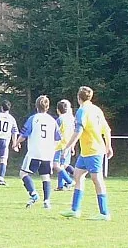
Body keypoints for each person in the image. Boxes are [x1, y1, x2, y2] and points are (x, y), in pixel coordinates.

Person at [60, 86, 113, 221]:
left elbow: (78, 131)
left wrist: (68, 147)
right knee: (78, 175)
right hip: (86, 152)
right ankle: (75, 210)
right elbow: (107, 130)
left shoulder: (82, 111)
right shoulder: (97, 110)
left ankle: (104, 213)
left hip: (93, 151)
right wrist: (109, 146)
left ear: (79, 98)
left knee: (97, 179)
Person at [14, 95, 61, 209]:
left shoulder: (33, 118)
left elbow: (24, 134)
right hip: (47, 153)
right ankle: (47, 201)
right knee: (45, 176)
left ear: (36, 106)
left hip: (34, 151)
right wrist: (53, 149)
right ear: (48, 107)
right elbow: (58, 137)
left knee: (23, 173)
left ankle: (33, 194)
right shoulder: (52, 120)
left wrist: (16, 143)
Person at [0, 100, 18, 185]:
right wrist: (14, 143)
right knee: (3, 159)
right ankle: (1, 178)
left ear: (1, 108)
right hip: (4, 139)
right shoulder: (11, 118)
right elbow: (14, 131)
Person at [53, 100, 75, 191]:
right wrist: (72, 146)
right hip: (68, 144)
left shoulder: (59, 120)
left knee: (56, 165)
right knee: (63, 165)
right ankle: (60, 186)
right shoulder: (71, 119)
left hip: (60, 145)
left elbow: (55, 134)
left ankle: (70, 181)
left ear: (58, 110)